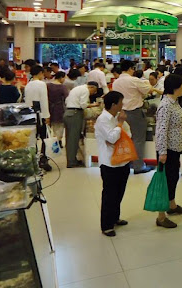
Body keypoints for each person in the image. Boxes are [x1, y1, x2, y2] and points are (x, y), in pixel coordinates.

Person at [155, 74, 182, 229]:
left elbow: (173, 122)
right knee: (166, 181)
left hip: (175, 147)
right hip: (167, 149)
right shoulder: (166, 105)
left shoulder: (173, 102)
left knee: (173, 177)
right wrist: (162, 152)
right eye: (181, 85)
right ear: (175, 88)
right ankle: (161, 216)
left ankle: (172, 205)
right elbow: (161, 130)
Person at [108, 60, 154, 174]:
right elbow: (148, 90)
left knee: (124, 139)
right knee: (138, 139)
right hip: (135, 112)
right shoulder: (134, 80)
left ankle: (126, 163)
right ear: (130, 69)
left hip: (121, 113)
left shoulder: (116, 82)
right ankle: (138, 166)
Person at [95, 91, 131, 237]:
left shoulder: (116, 117)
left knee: (119, 192)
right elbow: (112, 139)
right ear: (114, 104)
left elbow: (128, 134)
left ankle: (115, 217)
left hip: (123, 161)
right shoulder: (103, 119)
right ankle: (106, 225)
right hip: (109, 163)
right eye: (121, 102)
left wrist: (121, 124)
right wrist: (120, 124)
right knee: (109, 195)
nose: (123, 105)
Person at [63, 82, 99, 168]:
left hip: (68, 113)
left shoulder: (77, 88)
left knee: (69, 138)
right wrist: (94, 105)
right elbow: (83, 105)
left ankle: (71, 159)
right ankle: (71, 162)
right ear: (92, 87)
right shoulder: (85, 90)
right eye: (94, 91)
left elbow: (66, 100)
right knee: (73, 139)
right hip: (75, 114)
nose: (93, 93)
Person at [24, 65, 51, 171]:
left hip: (29, 113)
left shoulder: (28, 84)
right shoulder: (41, 84)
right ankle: (43, 159)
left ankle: (32, 159)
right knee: (44, 137)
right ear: (40, 73)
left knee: (33, 138)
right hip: (40, 113)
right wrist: (47, 116)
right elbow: (44, 100)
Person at [47, 71, 69, 148]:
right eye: (64, 78)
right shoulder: (63, 87)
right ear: (61, 78)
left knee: (50, 125)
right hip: (59, 107)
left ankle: (50, 141)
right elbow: (67, 98)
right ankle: (58, 140)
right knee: (59, 126)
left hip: (49, 107)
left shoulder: (48, 85)